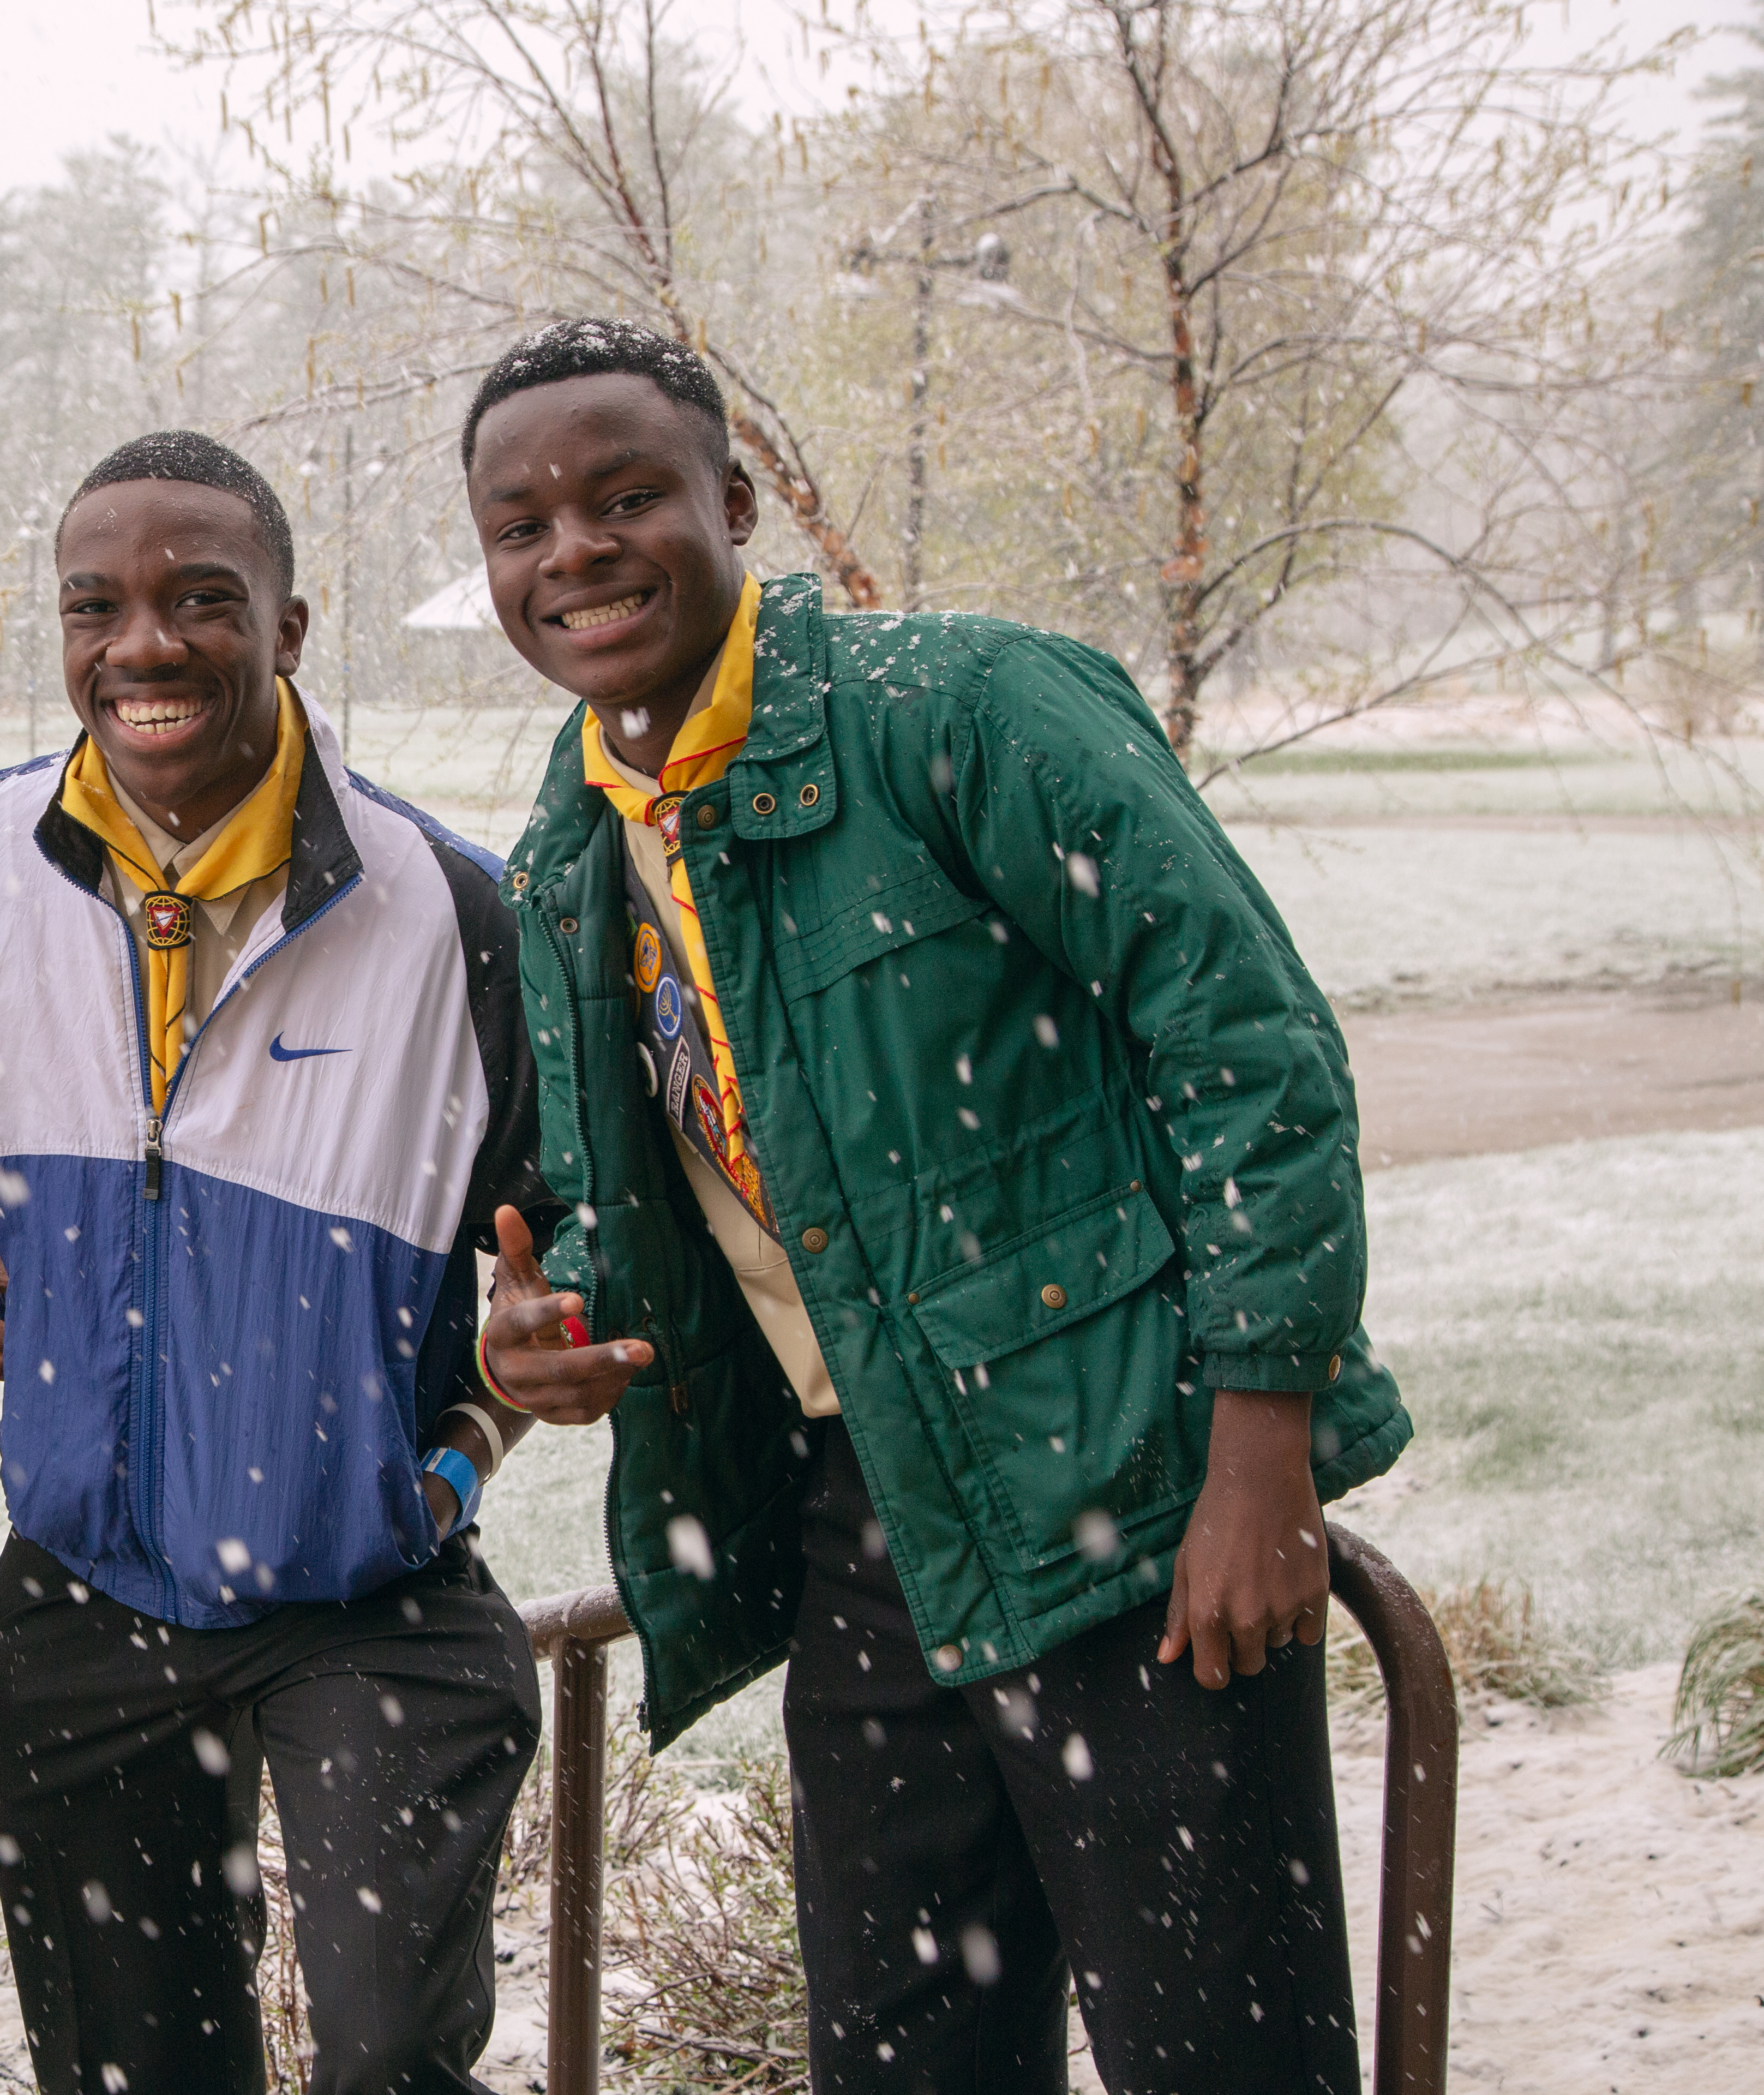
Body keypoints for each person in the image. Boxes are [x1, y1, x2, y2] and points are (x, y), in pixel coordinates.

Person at [460, 319, 1411, 2094]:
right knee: (905, 2054)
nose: (573, 553)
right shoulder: (579, 845)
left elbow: (1250, 1050)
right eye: (521, 525)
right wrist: (562, 1321)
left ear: (733, 504)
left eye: (626, 496)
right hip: (867, 1526)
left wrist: (1262, 1450)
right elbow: (665, 1197)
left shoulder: (961, 707)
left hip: (1133, 1495)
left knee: (1227, 2050)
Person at [0, 431, 556, 2095]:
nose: (143, 647)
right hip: (93, 1590)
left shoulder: (452, 909)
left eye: (201, 601)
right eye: (94, 608)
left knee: (389, 2060)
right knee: (131, 2070)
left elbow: (558, 1247)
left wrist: (471, 1443)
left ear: (292, 628)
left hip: (369, 1599)